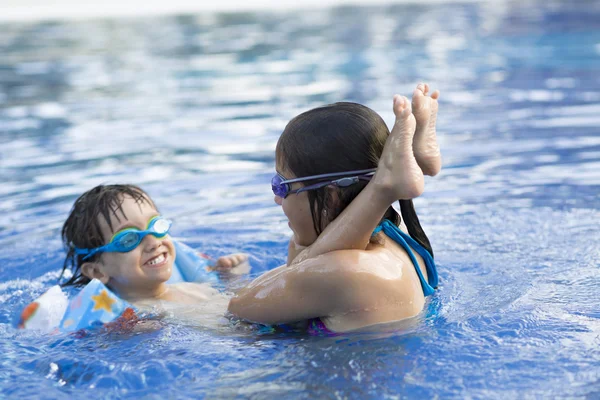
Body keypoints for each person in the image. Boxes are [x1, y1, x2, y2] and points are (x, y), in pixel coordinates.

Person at [228, 83, 441, 333]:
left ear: (329, 197)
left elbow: (238, 307)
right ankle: (400, 166)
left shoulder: (341, 271)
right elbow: (302, 262)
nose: (277, 199)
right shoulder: (399, 235)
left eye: (281, 185)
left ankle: (385, 182)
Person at [59, 184, 248, 317]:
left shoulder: (189, 287)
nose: (153, 242)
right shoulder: (135, 316)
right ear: (97, 271)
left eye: (156, 225)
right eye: (129, 238)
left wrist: (231, 278)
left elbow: (233, 300)